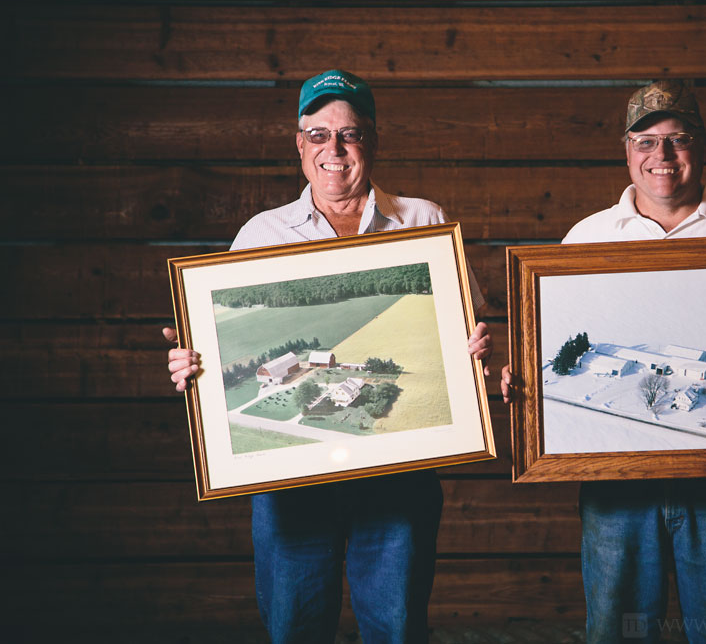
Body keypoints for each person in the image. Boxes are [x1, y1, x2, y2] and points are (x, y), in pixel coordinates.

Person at [163, 69, 494, 644]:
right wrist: (196, 366)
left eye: (350, 134)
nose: (334, 149)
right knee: (294, 627)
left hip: (399, 476)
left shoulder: (425, 221)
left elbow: (475, 336)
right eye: (319, 135)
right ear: (299, 143)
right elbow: (218, 355)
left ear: (372, 139)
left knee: (396, 627)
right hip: (290, 488)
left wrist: (481, 352)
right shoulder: (259, 235)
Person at [501, 80, 706, 644]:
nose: (662, 155)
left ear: (702, 146)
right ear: (627, 151)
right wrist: (524, 381)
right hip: (616, 486)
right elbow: (555, 356)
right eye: (647, 140)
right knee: (617, 631)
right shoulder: (587, 238)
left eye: (678, 139)